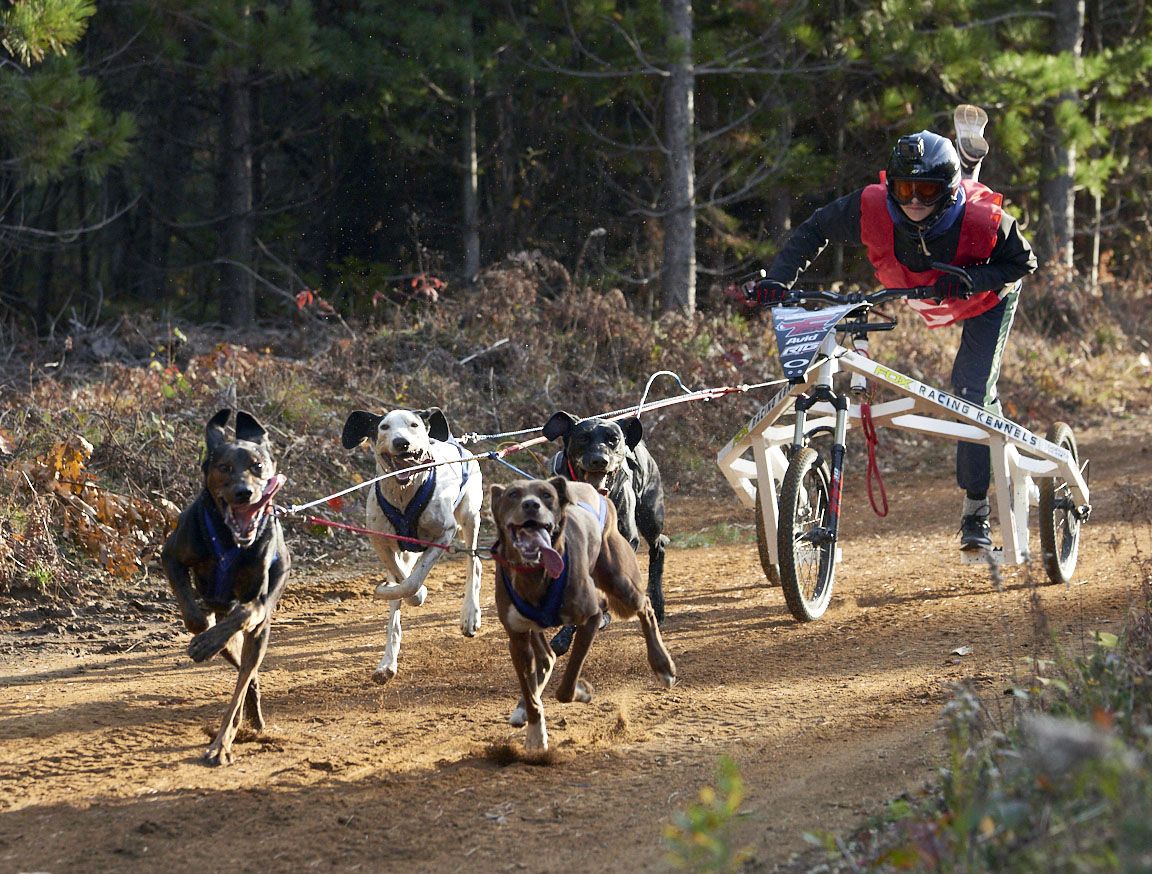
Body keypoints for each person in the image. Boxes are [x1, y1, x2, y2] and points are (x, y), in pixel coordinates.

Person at [746, 108, 1037, 551]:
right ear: (891, 186)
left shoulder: (985, 221)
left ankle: (976, 507)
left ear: (946, 191)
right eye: (905, 189)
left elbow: (1024, 263)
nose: (914, 202)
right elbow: (815, 228)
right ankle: (963, 162)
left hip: (983, 297)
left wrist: (972, 280)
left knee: (971, 392)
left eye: (926, 191)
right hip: (921, 284)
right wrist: (778, 279)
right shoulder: (872, 204)